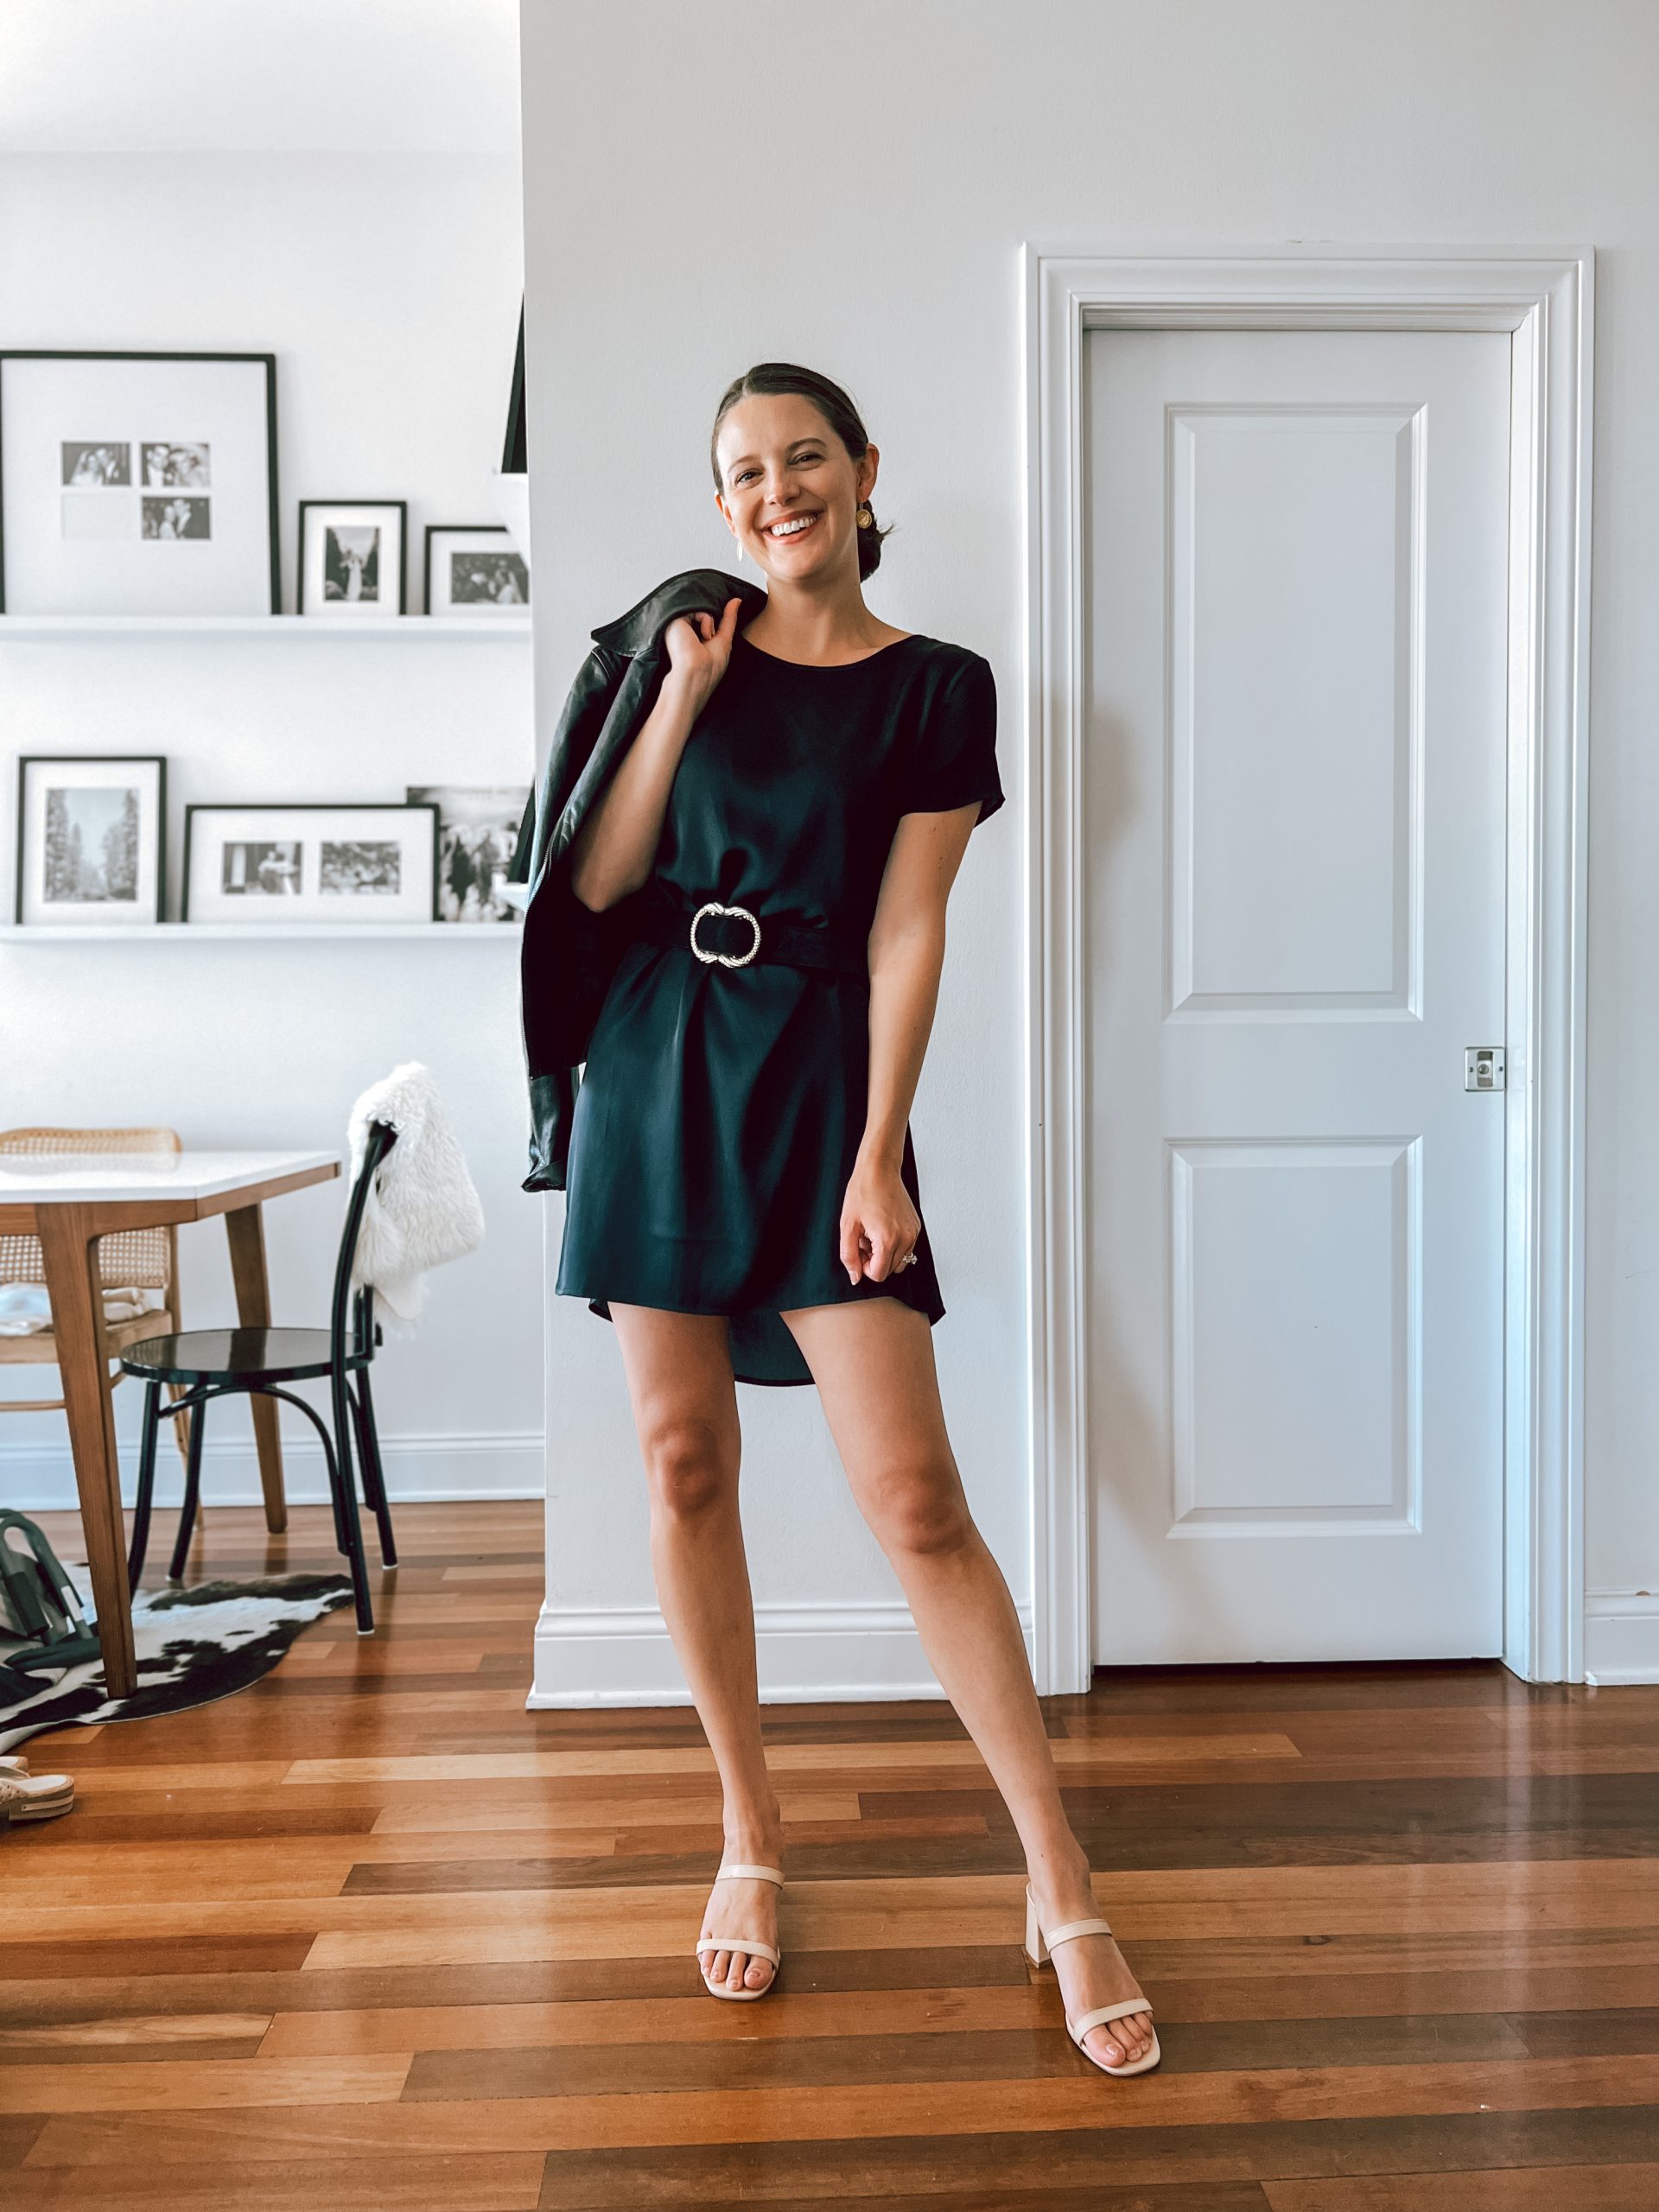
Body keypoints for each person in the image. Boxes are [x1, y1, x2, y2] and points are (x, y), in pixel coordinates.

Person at [552, 361, 1157, 2078]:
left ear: (864, 467)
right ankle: (750, 1827)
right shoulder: (687, 656)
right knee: (679, 1465)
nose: (773, 489)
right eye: (741, 470)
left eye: (802, 455)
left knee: (915, 1492)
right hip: (653, 1066)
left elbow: (909, 930)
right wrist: (676, 700)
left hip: (820, 1077)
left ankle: (1059, 1872)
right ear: (723, 498)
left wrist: (883, 1150)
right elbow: (600, 886)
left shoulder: (937, 689)